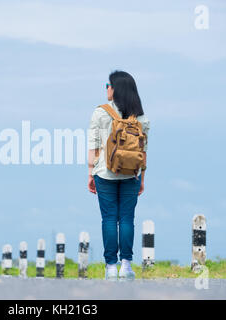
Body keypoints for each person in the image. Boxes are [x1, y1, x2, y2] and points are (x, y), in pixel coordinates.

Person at [87, 70, 150, 281]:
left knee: (109, 218)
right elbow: (143, 151)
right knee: (126, 218)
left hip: (104, 173)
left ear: (115, 89)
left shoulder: (100, 113)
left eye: (109, 85)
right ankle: (126, 265)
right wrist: (141, 178)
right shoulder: (141, 117)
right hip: (131, 174)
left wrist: (90, 172)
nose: (107, 88)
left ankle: (111, 267)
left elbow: (93, 146)